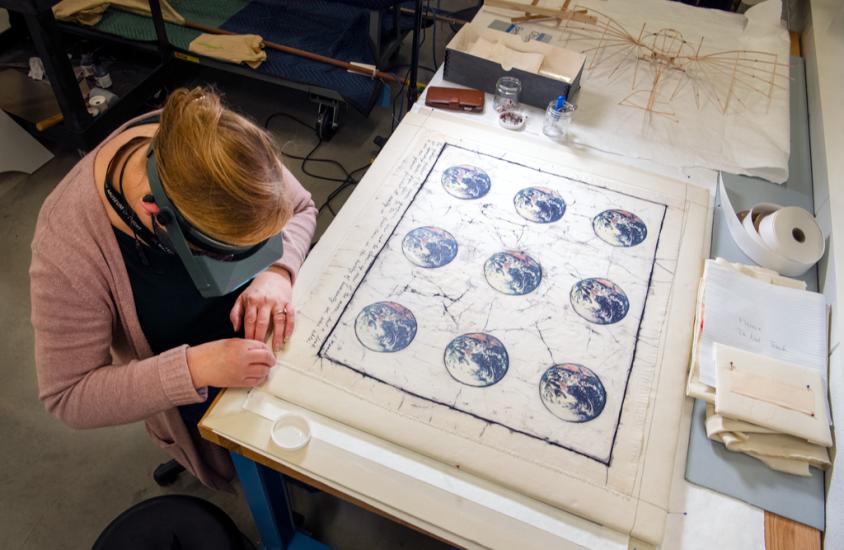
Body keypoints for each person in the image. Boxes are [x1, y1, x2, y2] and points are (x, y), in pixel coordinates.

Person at [30, 87, 317, 489]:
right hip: (198, 389)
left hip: (276, 335)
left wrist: (277, 271)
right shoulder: (68, 244)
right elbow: (68, 395)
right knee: (263, 474)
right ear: (156, 215)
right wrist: (195, 368)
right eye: (232, 256)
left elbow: (301, 208)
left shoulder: (214, 144)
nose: (253, 263)